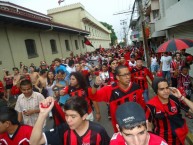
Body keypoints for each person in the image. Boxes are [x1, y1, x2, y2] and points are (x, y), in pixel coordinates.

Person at [29, 96, 110, 145]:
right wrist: (42, 114)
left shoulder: (98, 131)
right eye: (66, 115)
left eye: (73, 116)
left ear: (84, 116)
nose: (68, 120)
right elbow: (34, 142)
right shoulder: (63, 129)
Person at [90, 65, 145, 132]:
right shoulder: (109, 89)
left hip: (137, 124)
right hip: (120, 127)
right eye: (124, 75)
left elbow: (142, 106)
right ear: (118, 77)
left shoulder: (136, 87)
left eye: (128, 74)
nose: (128, 77)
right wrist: (95, 84)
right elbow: (93, 96)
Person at [146, 77, 193, 145]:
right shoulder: (151, 105)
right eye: (162, 89)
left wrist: (181, 97)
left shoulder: (174, 100)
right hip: (162, 140)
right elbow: (149, 125)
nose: (166, 91)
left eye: (167, 88)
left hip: (179, 138)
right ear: (156, 91)